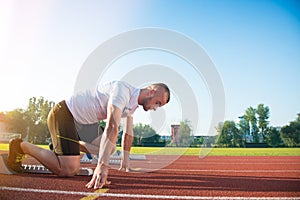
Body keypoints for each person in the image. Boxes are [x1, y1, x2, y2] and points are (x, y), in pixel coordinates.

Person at [7, 80, 170, 189]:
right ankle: (21, 146)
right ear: (151, 91)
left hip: (85, 124)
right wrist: (102, 166)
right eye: (158, 103)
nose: (156, 108)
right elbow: (112, 126)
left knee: (110, 148)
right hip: (66, 114)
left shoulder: (133, 106)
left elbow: (128, 134)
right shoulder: (123, 90)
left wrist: (125, 163)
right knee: (69, 169)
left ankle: (65, 146)